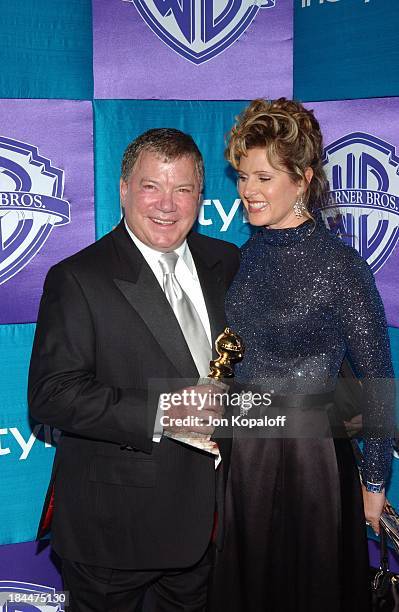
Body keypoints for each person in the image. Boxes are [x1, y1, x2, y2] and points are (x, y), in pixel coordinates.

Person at [28, 128, 240, 611]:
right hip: (113, 532)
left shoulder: (224, 262)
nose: (167, 204)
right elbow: (52, 395)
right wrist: (168, 411)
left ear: (200, 196)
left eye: (183, 189)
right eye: (152, 186)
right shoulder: (78, 278)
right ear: (123, 189)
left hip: (204, 526)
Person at [208, 99, 395, 612]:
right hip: (246, 455)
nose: (248, 190)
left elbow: (378, 378)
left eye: (263, 178)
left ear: (304, 178)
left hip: (312, 460)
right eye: (243, 176)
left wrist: (375, 481)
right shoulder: (241, 258)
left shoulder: (340, 265)